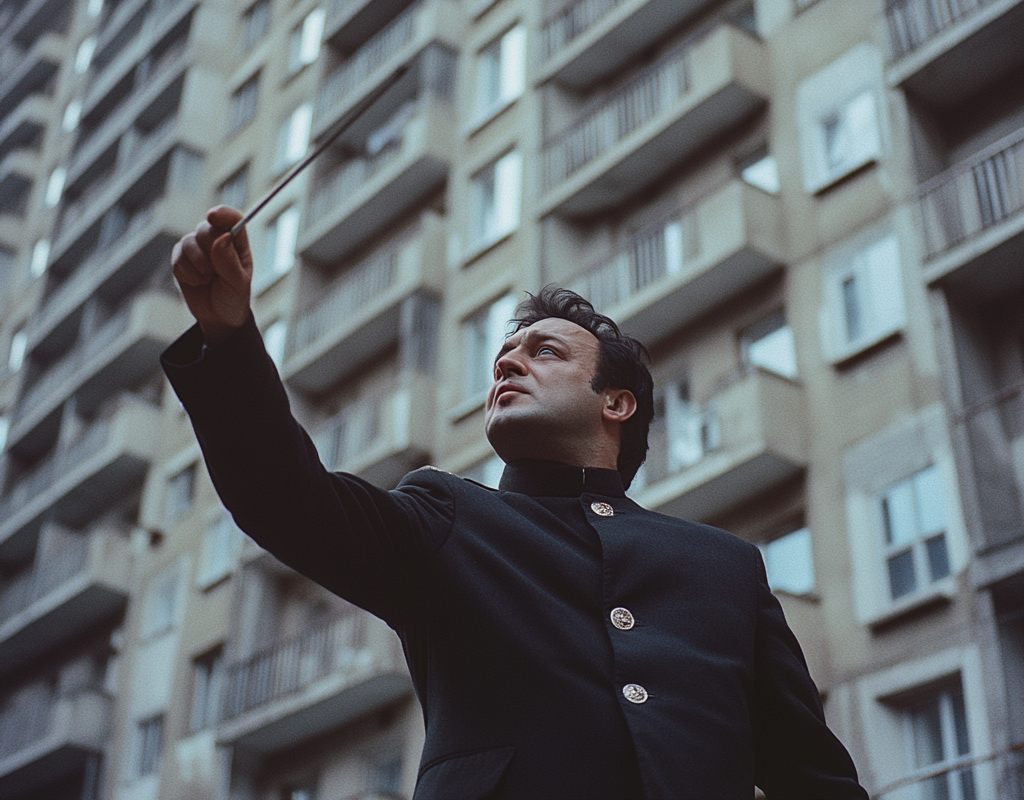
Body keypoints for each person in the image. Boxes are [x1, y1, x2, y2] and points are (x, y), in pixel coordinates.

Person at [163, 206, 869, 800]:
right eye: (504, 355)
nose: (507, 362)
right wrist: (227, 337)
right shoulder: (445, 518)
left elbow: (816, 779)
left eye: (545, 352)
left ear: (616, 402)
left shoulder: (726, 568)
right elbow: (283, 497)